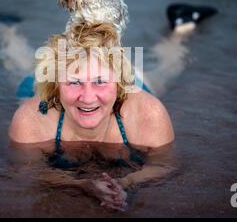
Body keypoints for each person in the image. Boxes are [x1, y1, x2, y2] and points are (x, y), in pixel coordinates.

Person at [9, 23, 174, 211]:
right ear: (56, 85)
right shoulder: (31, 117)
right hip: (41, 87)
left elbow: (163, 166)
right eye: (74, 82)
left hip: (127, 88)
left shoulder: (147, 112)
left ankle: (181, 31)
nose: (87, 98)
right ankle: (7, 30)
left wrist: (127, 182)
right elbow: (26, 172)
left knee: (165, 73)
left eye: (100, 82)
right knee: (19, 68)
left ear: (119, 83)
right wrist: (81, 185)